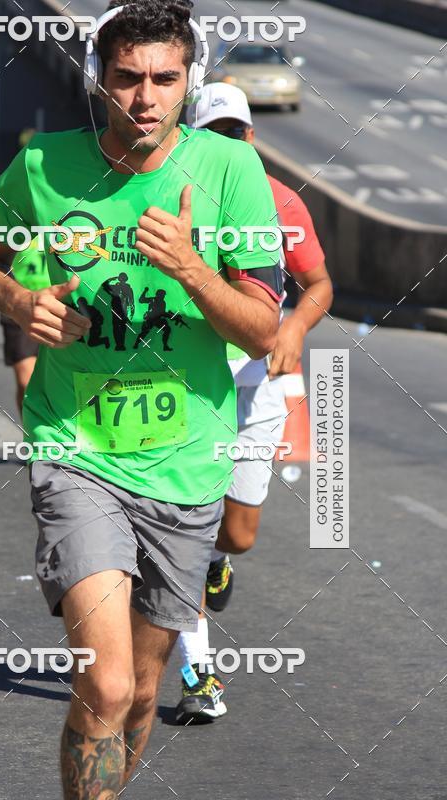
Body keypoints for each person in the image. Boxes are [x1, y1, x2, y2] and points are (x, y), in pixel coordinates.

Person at [0, 1, 282, 800]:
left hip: (187, 465)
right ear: (99, 76)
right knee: (103, 688)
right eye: (129, 76)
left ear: (191, 81)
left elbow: (264, 331)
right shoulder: (40, 165)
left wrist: (191, 268)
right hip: (77, 451)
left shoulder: (229, 172)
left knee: (143, 696)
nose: (146, 98)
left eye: (166, 79)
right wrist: (18, 302)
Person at [173, 82, 334, 725]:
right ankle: (198, 673)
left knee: (235, 535)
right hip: (184, 386)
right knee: (181, 531)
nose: (227, 144)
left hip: (257, 385)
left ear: (251, 136)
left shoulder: (279, 201)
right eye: (212, 135)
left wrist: (292, 329)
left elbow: (320, 284)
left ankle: (214, 559)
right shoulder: (171, 198)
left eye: (235, 133)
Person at [1, 243, 42, 414]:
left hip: (65, 309)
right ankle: (31, 436)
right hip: (21, 308)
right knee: (26, 383)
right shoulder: (18, 221)